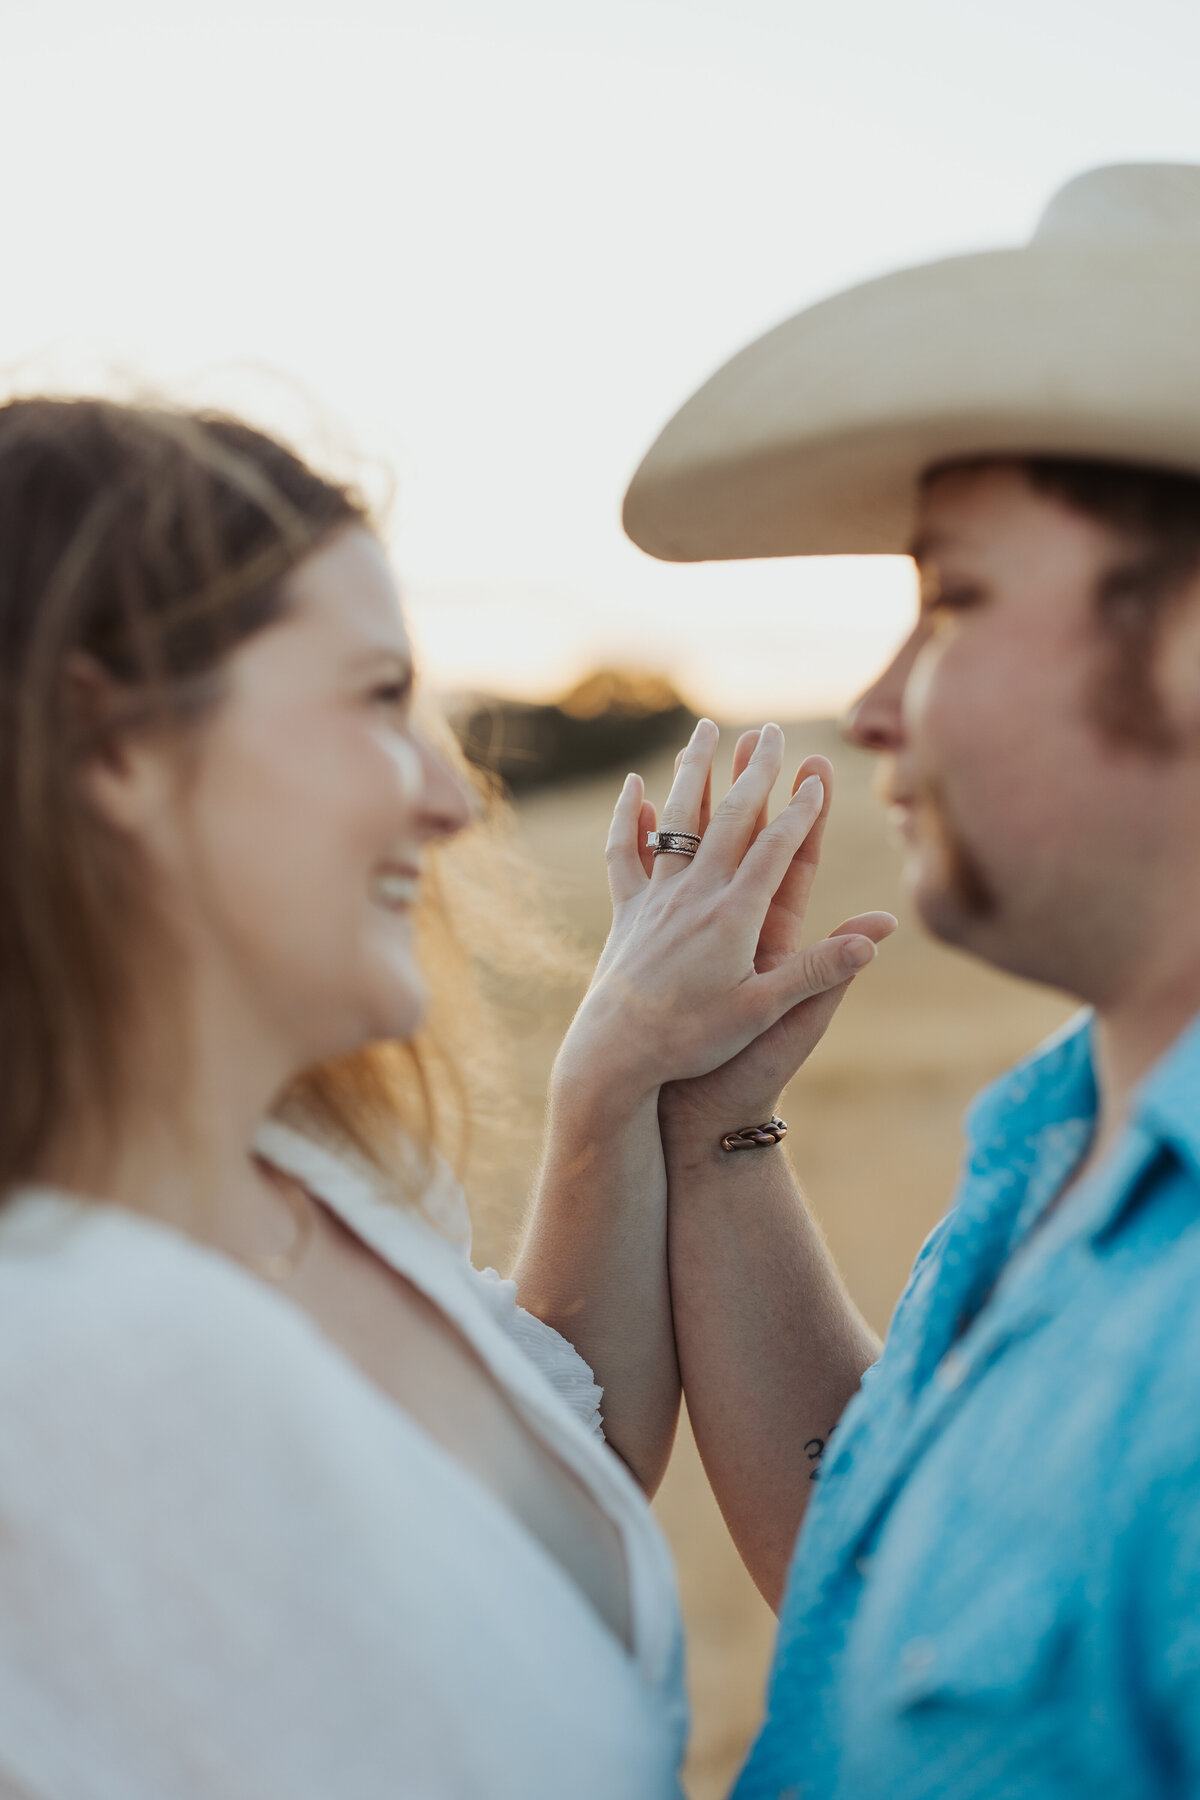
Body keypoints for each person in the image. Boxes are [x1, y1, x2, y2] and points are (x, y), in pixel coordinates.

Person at [0, 396, 894, 1799]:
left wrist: (625, 1086)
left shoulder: (320, 1175)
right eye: (372, 700)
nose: (449, 796)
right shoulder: (62, 1351)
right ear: (109, 748)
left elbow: (525, 1504)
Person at [611, 161, 1200, 1797]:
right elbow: (900, 1595)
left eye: (953, 596)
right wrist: (717, 1127)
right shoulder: (1079, 1130)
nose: (874, 705)